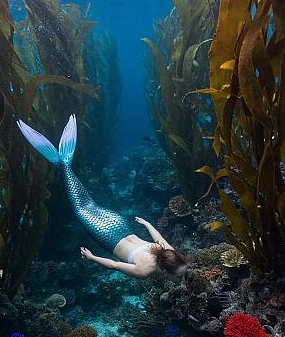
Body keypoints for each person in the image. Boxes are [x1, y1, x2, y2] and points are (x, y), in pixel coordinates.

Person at [17, 114, 187, 280]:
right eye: (178, 277)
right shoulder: (144, 271)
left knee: (90, 204)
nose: (181, 278)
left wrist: (147, 224)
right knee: (81, 207)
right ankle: (62, 163)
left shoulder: (167, 250)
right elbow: (114, 265)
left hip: (118, 223)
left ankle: (63, 163)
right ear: (165, 272)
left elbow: (157, 236)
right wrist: (92, 258)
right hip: (105, 234)